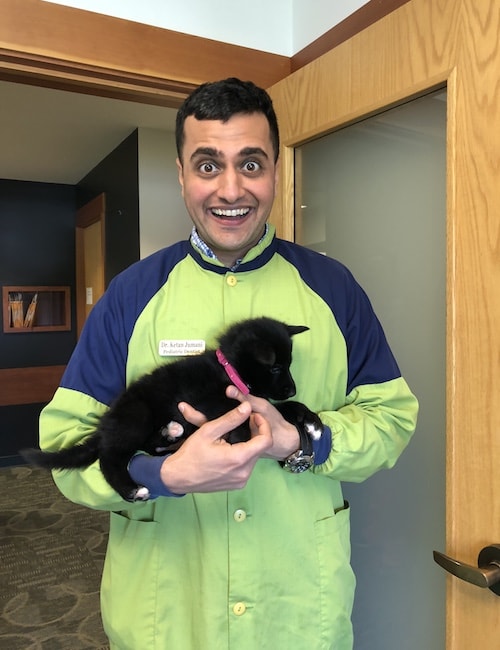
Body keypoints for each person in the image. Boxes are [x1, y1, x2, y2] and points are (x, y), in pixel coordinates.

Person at [39, 78, 418, 650]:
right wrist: (160, 476)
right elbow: (65, 444)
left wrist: (300, 440)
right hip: (167, 618)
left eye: (251, 163)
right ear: (182, 175)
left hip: (296, 614)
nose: (231, 188)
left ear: (276, 172)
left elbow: (392, 420)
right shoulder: (130, 295)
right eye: (208, 165)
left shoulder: (333, 290)